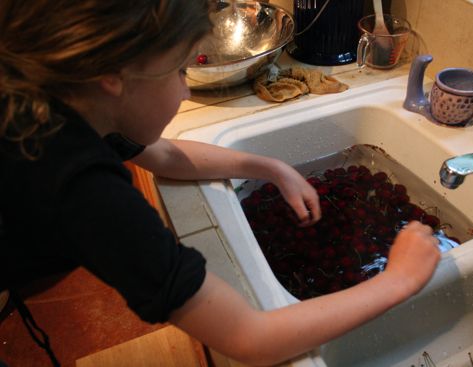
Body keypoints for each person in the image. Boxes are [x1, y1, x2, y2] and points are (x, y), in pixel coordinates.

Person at [0, 0, 440, 366]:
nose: (186, 92)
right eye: (179, 71)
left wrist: (271, 167)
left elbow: (168, 157)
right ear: (111, 75)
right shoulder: (83, 188)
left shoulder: (58, 100)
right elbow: (251, 338)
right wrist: (397, 281)